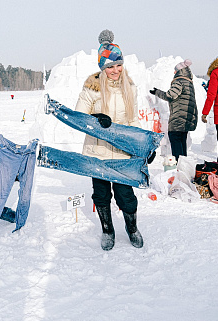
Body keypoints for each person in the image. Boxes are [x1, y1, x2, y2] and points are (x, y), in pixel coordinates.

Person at [75, 29, 146, 251]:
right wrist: (96, 118)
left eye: (118, 65)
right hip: (98, 153)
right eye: (109, 66)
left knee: (126, 194)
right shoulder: (92, 86)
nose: (115, 70)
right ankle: (107, 229)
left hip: (122, 152)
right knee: (102, 194)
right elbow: (79, 117)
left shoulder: (130, 87)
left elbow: (133, 120)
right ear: (102, 67)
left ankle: (132, 228)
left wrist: (141, 146)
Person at [150, 59, 197, 161]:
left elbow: (170, 95)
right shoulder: (188, 82)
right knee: (181, 141)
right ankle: (184, 165)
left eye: (175, 70)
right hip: (187, 117)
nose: (174, 72)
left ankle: (178, 164)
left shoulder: (179, 81)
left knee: (175, 138)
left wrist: (157, 92)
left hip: (179, 117)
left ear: (180, 71)